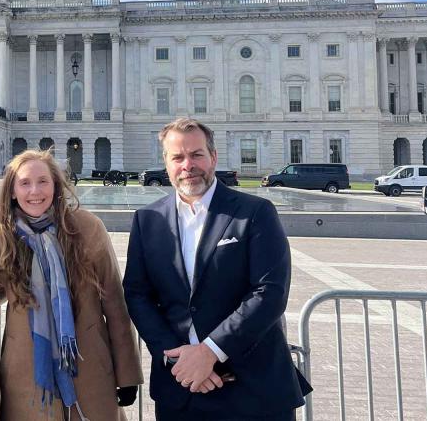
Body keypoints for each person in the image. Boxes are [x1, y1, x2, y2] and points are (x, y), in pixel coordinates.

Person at [122, 118, 311, 420]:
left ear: (213, 157)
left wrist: (210, 352)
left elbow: (270, 292)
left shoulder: (254, 212)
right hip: (181, 388)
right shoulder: (148, 220)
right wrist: (178, 359)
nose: (188, 165)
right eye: (178, 157)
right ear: (166, 163)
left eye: (196, 154)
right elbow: (137, 295)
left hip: (252, 389)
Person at [0, 149, 144, 421]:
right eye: (25, 183)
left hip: (89, 368)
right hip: (25, 374)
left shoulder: (87, 227)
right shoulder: (2, 236)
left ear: (56, 186)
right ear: (12, 191)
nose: (34, 191)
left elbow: (115, 304)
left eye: (43, 181)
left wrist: (127, 372)